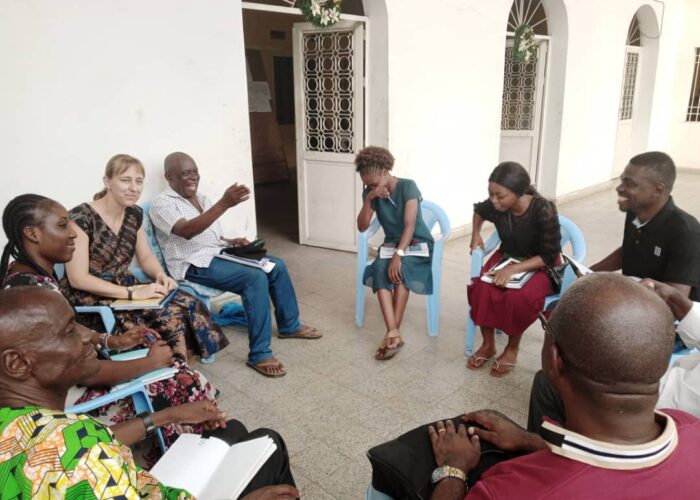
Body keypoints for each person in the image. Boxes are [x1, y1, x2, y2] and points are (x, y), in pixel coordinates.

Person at [369, 274, 699, 499]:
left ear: (554, 360)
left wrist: (453, 469)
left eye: (545, 326)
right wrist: (531, 441)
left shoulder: (510, 491)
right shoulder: (690, 427)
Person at [0, 286, 298, 499]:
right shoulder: (84, 460)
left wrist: (166, 415)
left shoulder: (34, 428)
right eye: (69, 331)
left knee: (231, 431)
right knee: (268, 441)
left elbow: (71, 447)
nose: (88, 340)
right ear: (18, 363)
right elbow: (80, 454)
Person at [1, 193, 220, 463]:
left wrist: (112, 342)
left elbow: (71, 337)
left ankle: (198, 442)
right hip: (65, 405)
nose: (73, 234)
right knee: (182, 381)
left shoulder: (31, 278)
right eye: (62, 226)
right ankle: (190, 462)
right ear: (32, 233)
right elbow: (85, 374)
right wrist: (149, 363)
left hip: (66, 384)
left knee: (176, 363)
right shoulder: (31, 294)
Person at [149, 152, 320, 378]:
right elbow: (187, 231)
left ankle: (289, 325)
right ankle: (260, 354)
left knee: (275, 265)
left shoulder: (202, 198)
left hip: (218, 254)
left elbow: (209, 234)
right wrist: (224, 203)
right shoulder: (161, 203)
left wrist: (231, 242)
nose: (192, 178)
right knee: (254, 277)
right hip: (191, 265)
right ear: (169, 177)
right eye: (185, 174)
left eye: (195, 172)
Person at [61, 154, 229, 362]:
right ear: (107, 182)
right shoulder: (81, 218)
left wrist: (159, 275)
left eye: (138, 181)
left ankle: (180, 372)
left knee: (190, 303)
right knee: (169, 318)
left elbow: (146, 255)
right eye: (125, 180)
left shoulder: (133, 214)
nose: (134, 187)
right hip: (90, 296)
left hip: (125, 288)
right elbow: (78, 278)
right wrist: (131, 293)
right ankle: (170, 376)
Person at [527, 278, 700, 433]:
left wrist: (532, 444)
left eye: (546, 324)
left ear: (555, 358)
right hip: (655, 391)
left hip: (662, 416)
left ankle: (544, 454)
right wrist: (675, 300)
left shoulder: (685, 431)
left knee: (554, 383)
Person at [466, 162, 561, 377]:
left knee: (516, 297)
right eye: (491, 194)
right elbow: (478, 211)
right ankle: (488, 344)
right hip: (507, 257)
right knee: (482, 288)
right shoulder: (495, 205)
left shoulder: (543, 209)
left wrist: (514, 270)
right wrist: (475, 234)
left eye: (500, 196)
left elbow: (549, 254)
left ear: (518, 192)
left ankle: (511, 348)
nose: (494, 200)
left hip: (539, 264)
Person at [355, 146, 434, 360]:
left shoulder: (407, 187)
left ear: (384, 171)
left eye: (372, 183)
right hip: (391, 245)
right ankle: (393, 332)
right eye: (365, 184)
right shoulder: (371, 192)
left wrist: (399, 255)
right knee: (381, 268)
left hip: (417, 243)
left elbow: (409, 225)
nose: (368, 186)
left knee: (401, 272)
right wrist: (369, 198)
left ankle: (390, 334)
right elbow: (362, 226)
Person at [591, 151, 700, 300]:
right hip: (637, 299)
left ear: (658, 190)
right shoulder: (635, 211)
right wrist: (589, 274)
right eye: (622, 180)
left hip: (669, 315)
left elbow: (677, 299)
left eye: (630, 183)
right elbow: (628, 252)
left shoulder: (685, 232)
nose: (619, 188)